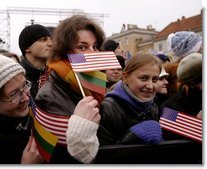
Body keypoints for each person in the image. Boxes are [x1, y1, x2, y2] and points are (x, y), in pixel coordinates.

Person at [35, 15, 105, 163]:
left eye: (95, 46)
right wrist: (81, 130)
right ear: (64, 51)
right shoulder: (48, 97)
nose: (93, 53)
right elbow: (58, 157)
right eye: (82, 47)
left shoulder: (94, 82)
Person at [97, 54, 163, 145]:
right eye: (143, 78)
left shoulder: (153, 107)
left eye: (155, 79)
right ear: (125, 78)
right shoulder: (109, 108)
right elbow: (104, 155)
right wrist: (131, 137)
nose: (150, 86)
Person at [18, 24, 53, 99]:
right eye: (43, 40)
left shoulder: (54, 75)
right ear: (27, 48)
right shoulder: (18, 79)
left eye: (50, 39)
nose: (50, 44)